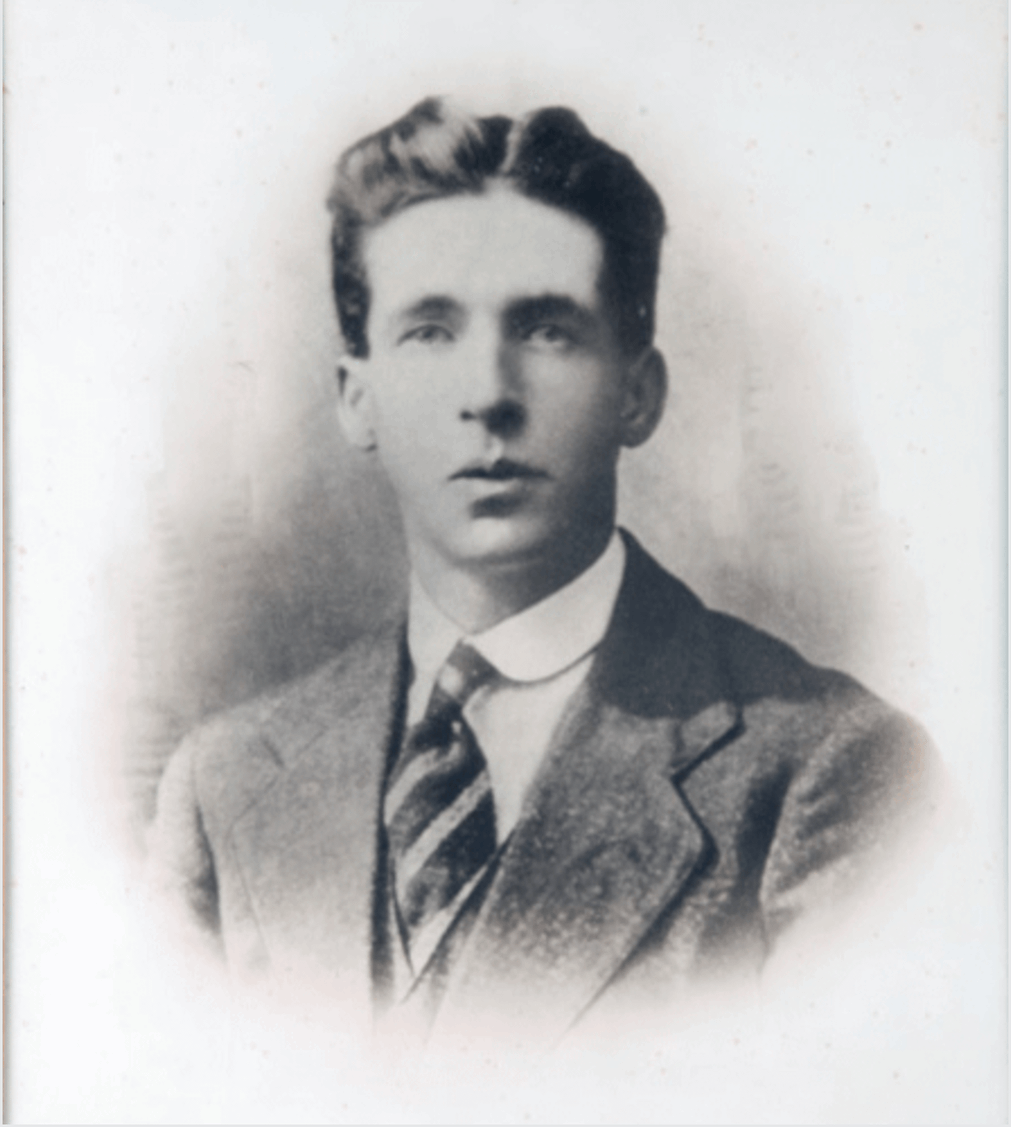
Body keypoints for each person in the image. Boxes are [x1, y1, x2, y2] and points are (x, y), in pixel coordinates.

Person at [147, 96, 943, 1050]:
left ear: (636, 393)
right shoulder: (225, 781)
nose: (488, 394)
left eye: (547, 331)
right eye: (430, 331)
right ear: (358, 400)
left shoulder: (832, 773)